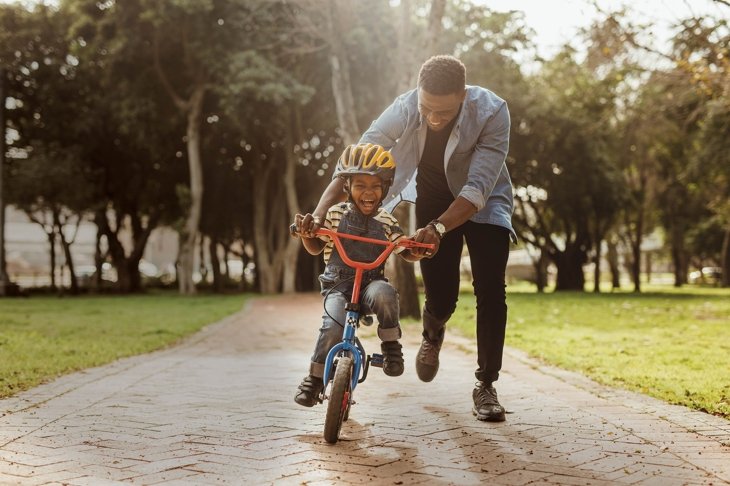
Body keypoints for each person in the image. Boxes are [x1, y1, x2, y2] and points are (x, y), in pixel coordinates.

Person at [299, 55, 514, 421]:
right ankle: (433, 333)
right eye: (427, 109)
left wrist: (440, 229)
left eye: (443, 113)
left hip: (485, 200)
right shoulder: (405, 107)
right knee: (442, 297)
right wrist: (319, 213)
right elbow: (356, 161)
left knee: (490, 288)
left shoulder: (493, 112)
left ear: (463, 95)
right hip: (433, 197)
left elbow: (477, 187)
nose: (433, 118)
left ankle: (486, 384)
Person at [292, 143, 424, 408]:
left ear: (385, 188)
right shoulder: (334, 214)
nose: (368, 192)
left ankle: (390, 347)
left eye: (376, 186)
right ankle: (314, 379)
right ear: (347, 188)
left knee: (386, 294)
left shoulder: (387, 221)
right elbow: (316, 246)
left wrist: (417, 250)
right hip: (338, 286)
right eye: (360, 185)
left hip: (370, 285)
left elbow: (402, 248)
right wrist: (308, 235)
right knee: (333, 325)